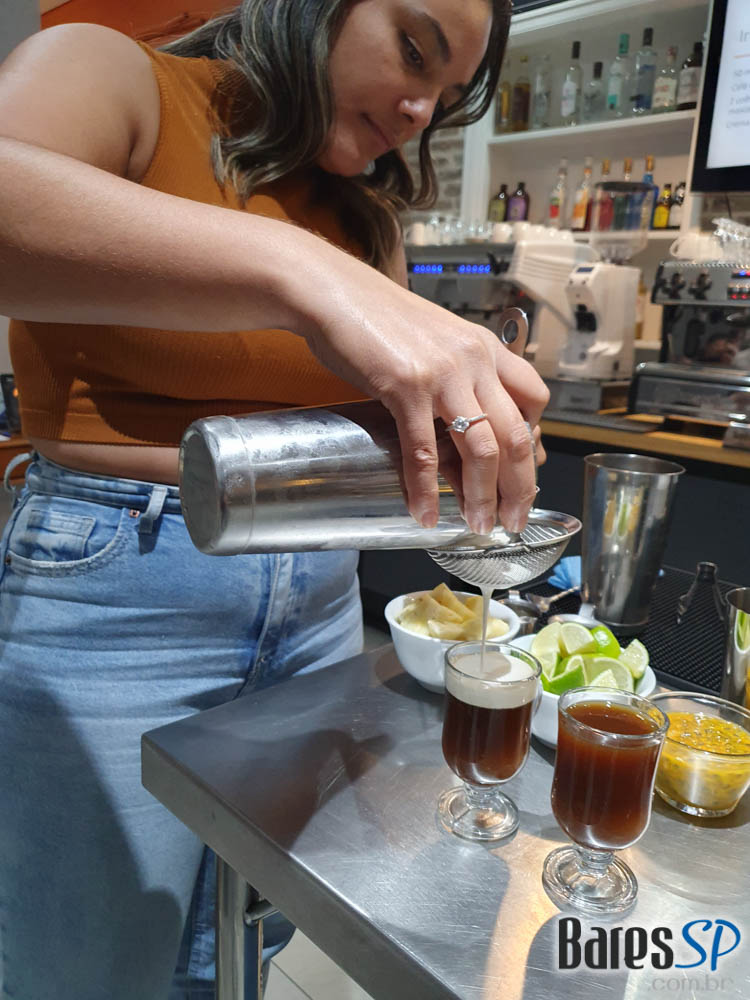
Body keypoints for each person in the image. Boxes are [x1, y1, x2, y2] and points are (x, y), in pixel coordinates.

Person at [0, 1, 548, 997]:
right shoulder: (117, 76)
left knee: (245, 940)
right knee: (90, 966)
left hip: (321, 600)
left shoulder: (364, 213)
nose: (421, 111)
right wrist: (303, 272)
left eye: (447, 96)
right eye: (414, 51)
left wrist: (462, 430)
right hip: (121, 590)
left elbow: (369, 421)